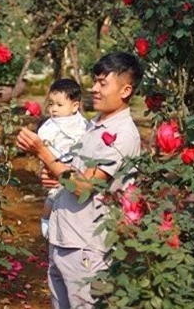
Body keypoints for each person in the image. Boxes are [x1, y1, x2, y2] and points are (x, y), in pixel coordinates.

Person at [17, 52, 143, 309]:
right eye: (95, 81)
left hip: (87, 247)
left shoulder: (121, 134)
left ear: (125, 90)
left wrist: (43, 152)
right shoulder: (93, 125)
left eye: (102, 83)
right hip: (64, 238)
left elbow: (84, 187)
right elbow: (74, 176)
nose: (94, 89)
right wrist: (55, 175)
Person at [38, 78, 89, 239]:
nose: (53, 109)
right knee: (53, 198)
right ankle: (46, 220)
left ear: (75, 106)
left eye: (59, 105)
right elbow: (42, 145)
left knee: (75, 202)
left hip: (76, 169)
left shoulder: (82, 125)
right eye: (51, 104)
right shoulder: (50, 126)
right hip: (56, 167)